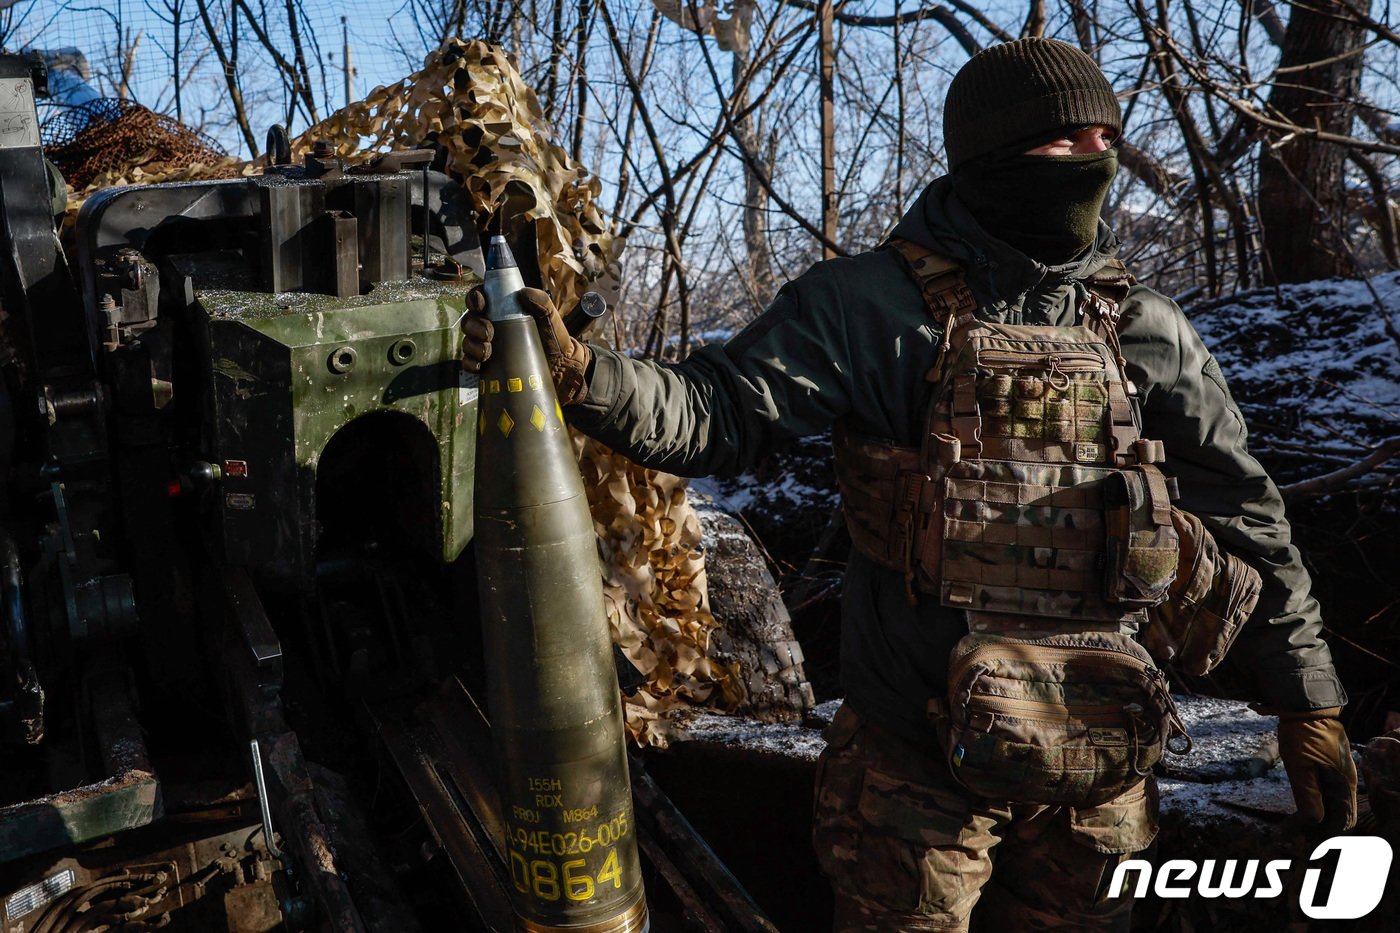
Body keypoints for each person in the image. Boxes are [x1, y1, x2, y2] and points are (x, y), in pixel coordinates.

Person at [463, 37, 1357, 933]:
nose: (1096, 159)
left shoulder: (1145, 327)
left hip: (1101, 763)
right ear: (991, 156)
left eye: (1105, 139)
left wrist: (1308, 697)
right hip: (916, 769)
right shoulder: (867, 306)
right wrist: (585, 374)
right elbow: (716, 409)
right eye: (1066, 141)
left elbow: (1247, 515)